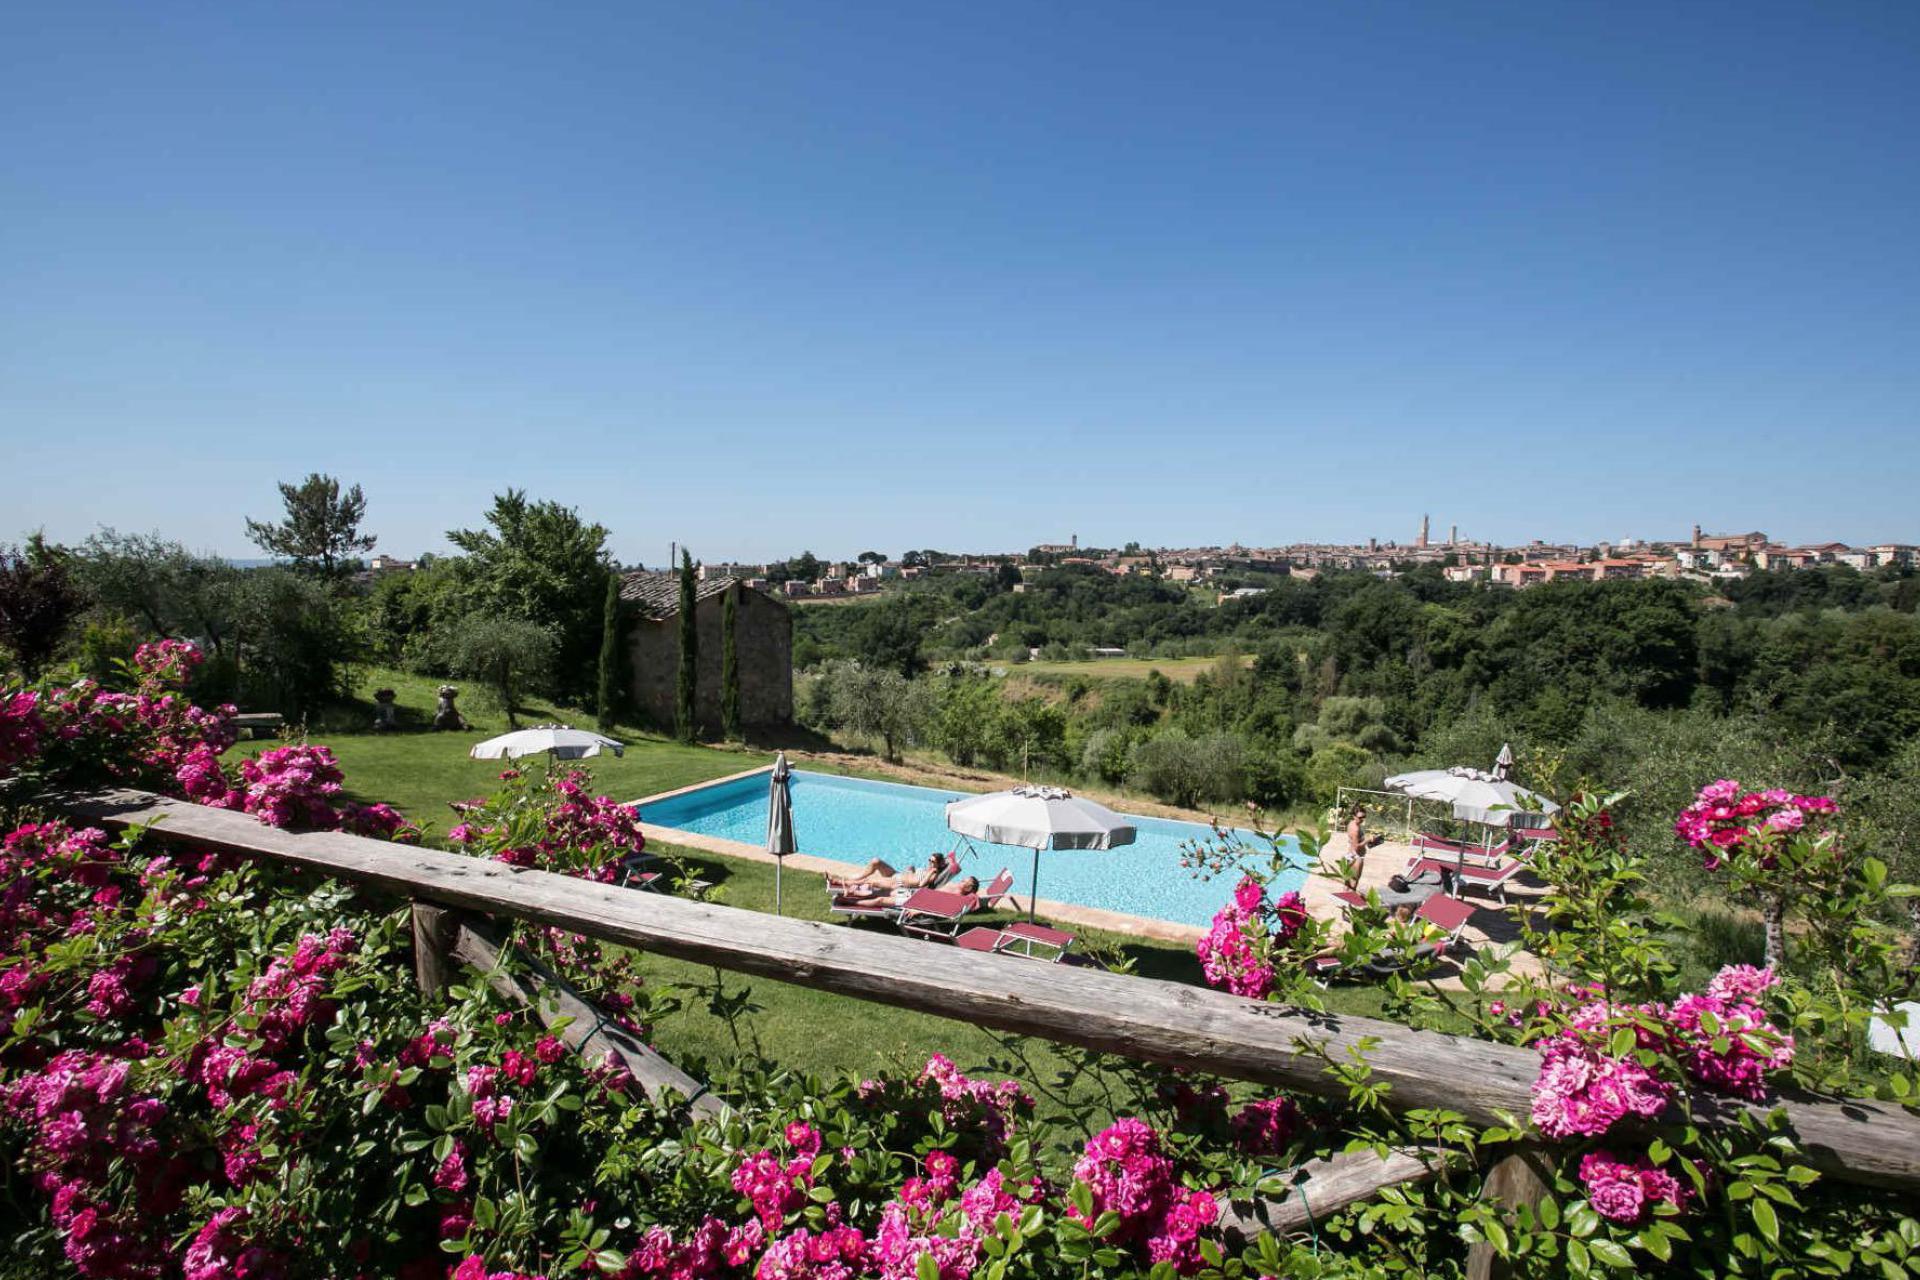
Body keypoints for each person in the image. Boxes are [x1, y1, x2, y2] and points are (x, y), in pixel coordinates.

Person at [831, 851, 950, 900]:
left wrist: (930, 872)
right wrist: (911, 871)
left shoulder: (933, 873)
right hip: (896, 875)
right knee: (876, 861)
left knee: (871, 881)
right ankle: (854, 879)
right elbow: (914, 877)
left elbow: (921, 884)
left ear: (938, 864)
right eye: (929, 859)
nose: (929, 862)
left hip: (898, 883)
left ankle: (842, 883)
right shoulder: (927, 869)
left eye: (932, 861)